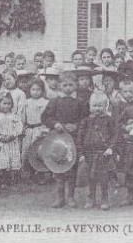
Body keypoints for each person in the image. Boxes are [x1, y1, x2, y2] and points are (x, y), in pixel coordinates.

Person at [43, 73, 88, 208]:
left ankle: (70, 197)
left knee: (72, 167)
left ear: (76, 85)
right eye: (65, 85)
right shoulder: (55, 101)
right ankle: (60, 198)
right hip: (58, 139)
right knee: (59, 168)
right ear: (60, 86)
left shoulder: (80, 102)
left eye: (71, 85)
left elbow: (86, 119)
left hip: (74, 139)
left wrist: (76, 125)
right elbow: (45, 117)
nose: (68, 88)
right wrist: (55, 124)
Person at [78, 92, 119, 210]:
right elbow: (80, 137)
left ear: (106, 106)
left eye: (100, 106)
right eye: (94, 106)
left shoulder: (109, 120)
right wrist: (81, 153)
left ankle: (105, 198)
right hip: (89, 153)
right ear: (90, 106)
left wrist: (111, 148)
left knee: (104, 177)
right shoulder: (86, 121)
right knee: (91, 177)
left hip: (103, 154)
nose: (97, 109)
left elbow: (115, 135)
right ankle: (91, 197)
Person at [21, 78, 50, 177]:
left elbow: (47, 117)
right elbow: (23, 117)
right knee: (27, 150)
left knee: (39, 150)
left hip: (40, 129)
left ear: (42, 91)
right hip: (29, 129)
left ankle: (41, 173)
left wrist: (45, 130)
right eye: (33, 89)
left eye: (38, 90)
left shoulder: (45, 102)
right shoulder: (26, 102)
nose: (36, 92)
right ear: (29, 90)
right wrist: (23, 127)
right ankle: (27, 171)